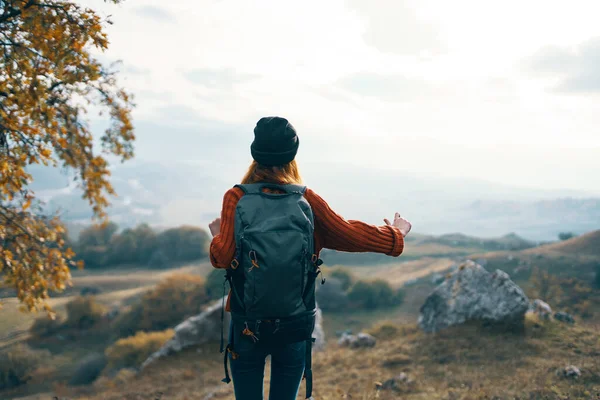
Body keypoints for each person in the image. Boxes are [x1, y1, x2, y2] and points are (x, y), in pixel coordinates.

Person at [208, 116, 412, 400]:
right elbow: (349, 234)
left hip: (247, 323)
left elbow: (221, 257)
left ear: (255, 154)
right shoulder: (307, 200)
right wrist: (394, 235)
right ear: (293, 154)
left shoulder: (236, 198)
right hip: (295, 322)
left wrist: (218, 236)